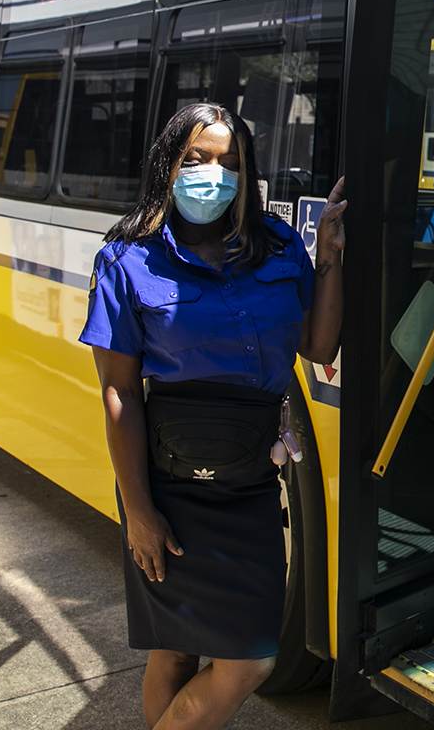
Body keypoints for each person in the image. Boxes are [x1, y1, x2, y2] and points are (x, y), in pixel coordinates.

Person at [81, 103, 346, 730]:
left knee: (250, 658)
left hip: (251, 481)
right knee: (173, 649)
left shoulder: (278, 244)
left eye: (228, 161)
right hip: (167, 487)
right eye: (197, 159)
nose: (213, 174)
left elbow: (320, 348)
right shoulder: (127, 258)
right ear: (167, 166)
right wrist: (139, 513)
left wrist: (331, 256)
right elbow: (119, 394)